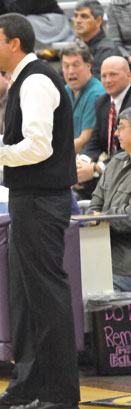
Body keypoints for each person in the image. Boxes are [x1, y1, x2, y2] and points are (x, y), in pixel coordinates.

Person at [0, 13, 80, 409]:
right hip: (28, 199)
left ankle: (59, 394)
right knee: (24, 296)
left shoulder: (36, 79)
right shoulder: (26, 79)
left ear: (14, 44)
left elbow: (39, 148)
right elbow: (24, 140)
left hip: (40, 199)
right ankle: (27, 384)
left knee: (46, 297)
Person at [0, 0, 74, 85]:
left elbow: (21, 10)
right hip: (27, 19)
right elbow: (0, 13)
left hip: (49, 22)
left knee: (10, 28)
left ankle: (3, 72)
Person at [87, 106, 131, 292]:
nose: (116, 133)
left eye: (121, 127)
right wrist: (95, 216)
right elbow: (94, 203)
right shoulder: (115, 162)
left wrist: (103, 218)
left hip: (124, 265)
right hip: (101, 257)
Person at [75, 56, 131, 200]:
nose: (107, 80)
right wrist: (83, 162)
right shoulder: (102, 101)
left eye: (113, 75)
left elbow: (127, 149)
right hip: (111, 169)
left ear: (129, 75)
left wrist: (96, 168)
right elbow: (95, 140)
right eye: (104, 76)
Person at [60, 41, 105, 153]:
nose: (71, 71)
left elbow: (84, 141)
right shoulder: (63, 91)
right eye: (66, 66)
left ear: (88, 65)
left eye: (76, 65)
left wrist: (54, 153)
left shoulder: (97, 94)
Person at [73, 0, 122, 79]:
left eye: (84, 16)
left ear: (98, 21)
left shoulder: (109, 51)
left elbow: (103, 86)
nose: (78, 21)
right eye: (75, 16)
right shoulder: (73, 46)